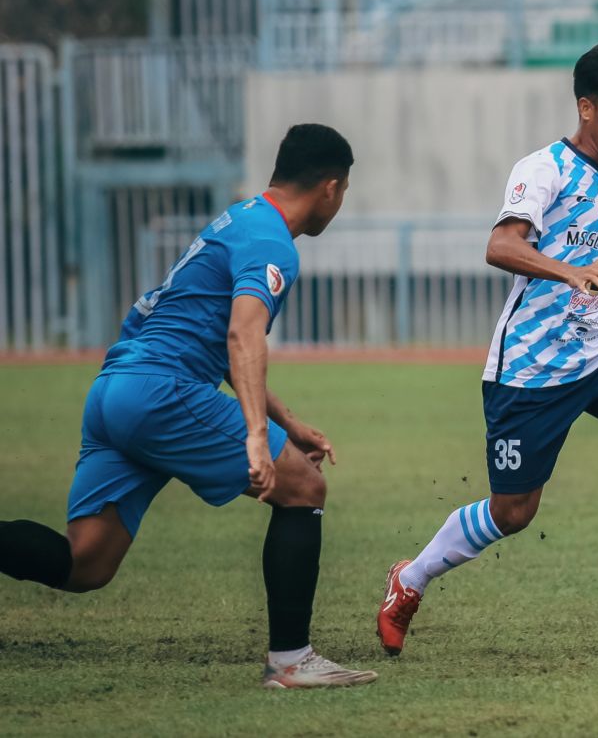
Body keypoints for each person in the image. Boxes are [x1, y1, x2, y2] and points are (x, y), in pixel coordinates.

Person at [376, 42, 598, 655]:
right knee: (513, 513)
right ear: (586, 108)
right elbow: (500, 246)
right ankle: (410, 579)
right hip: (531, 368)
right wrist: (571, 272)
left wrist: (585, 284)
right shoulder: (544, 169)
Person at [0, 124, 377, 689]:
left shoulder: (239, 218)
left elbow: (212, 336)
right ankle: (291, 661)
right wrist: (256, 436)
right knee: (303, 487)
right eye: (343, 191)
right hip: (161, 392)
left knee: (87, 563)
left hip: (116, 389)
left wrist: (288, 422)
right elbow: (243, 336)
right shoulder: (273, 243)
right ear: (330, 187)